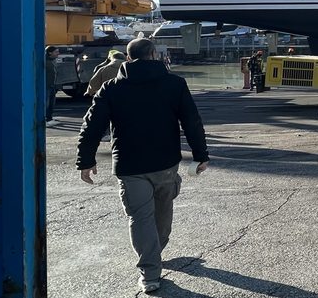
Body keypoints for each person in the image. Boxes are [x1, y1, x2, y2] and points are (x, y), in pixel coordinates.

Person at [76, 38, 209, 293]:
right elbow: (192, 121)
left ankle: (150, 272)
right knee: (162, 213)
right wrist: (200, 154)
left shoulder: (111, 88)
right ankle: (153, 259)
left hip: (129, 164)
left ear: (127, 59)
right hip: (166, 163)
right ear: (153, 55)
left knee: (140, 218)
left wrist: (86, 160)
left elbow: (91, 125)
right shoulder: (175, 84)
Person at [45, 45, 60, 127]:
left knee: (51, 103)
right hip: (46, 85)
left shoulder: (53, 60)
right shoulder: (44, 61)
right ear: (50, 52)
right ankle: (45, 120)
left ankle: (49, 118)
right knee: (46, 103)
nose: (58, 53)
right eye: (56, 52)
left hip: (52, 85)